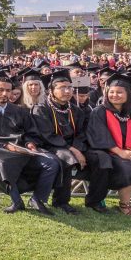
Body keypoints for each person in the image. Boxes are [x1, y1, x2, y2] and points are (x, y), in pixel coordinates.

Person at [0, 75, 60, 214]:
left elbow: (31, 132)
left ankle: (38, 199)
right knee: (2, 162)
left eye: (8, 90)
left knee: (52, 162)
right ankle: (16, 201)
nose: (5, 93)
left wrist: (30, 143)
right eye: (1, 90)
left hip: (23, 149)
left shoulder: (19, 111)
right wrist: (5, 146)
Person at [86, 73, 131, 217]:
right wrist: (121, 152)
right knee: (128, 166)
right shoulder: (99, 112)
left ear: (128, 94)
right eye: (111, 92)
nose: (114, 95)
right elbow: (99, 136)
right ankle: (124, 204)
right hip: (109, 151)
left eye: (119, 92)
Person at [30, 70, 86, 215]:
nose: (67, 91)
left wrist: (76, 148)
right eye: (62, 88)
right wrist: (72, 149)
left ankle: (95, 200)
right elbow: (47, 135)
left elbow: (81, 133)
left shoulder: (75, 110)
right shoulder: (41, 109)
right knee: (67, 157)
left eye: (69, 88)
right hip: (49, 145)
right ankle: (61, 201)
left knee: (99, 158)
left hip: (73, 146)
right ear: (51, 91)